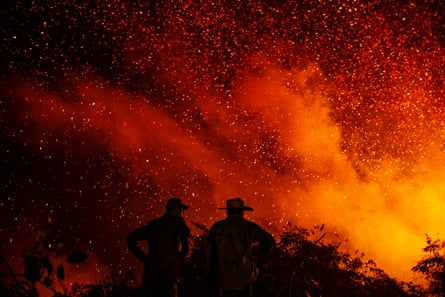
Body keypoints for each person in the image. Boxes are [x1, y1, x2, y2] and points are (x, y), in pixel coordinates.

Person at [207, 197, 275, 297]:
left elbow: (209, 254)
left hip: (222, 280)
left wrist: (212, 278)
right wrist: (258, 256)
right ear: (242, 211)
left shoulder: (217, 227)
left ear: (228, 211)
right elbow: (270, 240)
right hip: (243, 278)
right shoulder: (249, 227)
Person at [127, 197, 191, 297]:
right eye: (180, 209)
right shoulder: (178, 222)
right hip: (170, 271)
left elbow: (130, 238)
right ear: (178, 209)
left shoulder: (153, 225)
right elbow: (185, 246)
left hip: (152, 271)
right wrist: (180, 260)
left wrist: (145, 258)